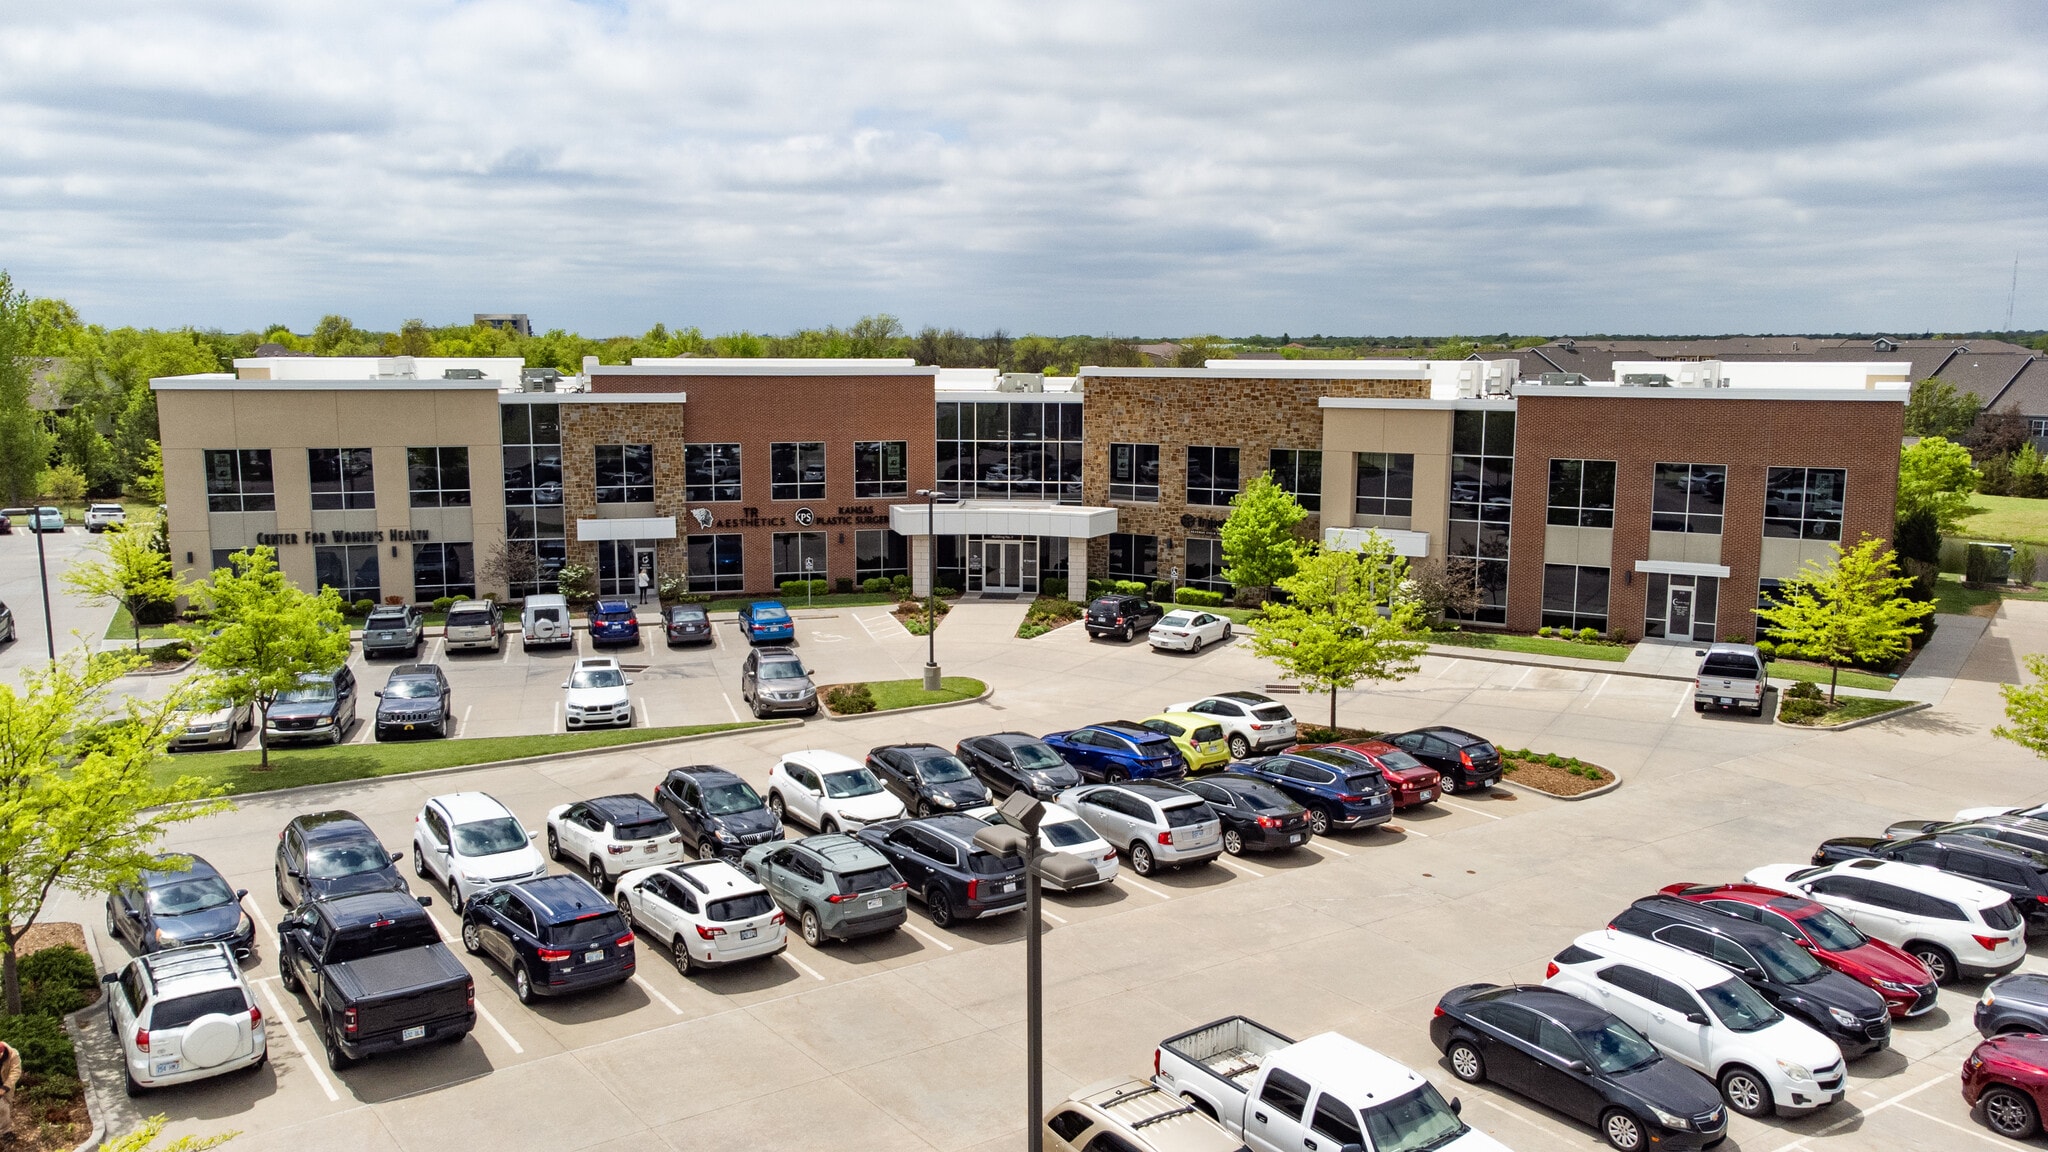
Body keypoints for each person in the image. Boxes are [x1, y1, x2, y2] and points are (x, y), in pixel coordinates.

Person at [0, 1036, 19, 1145]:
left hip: (6, 1085)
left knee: (5, 1107)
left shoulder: (13, 1054)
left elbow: (15, 1072)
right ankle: (5, 1132)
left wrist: (5, 1088)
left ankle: (4, 1131)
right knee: (3, 1108)